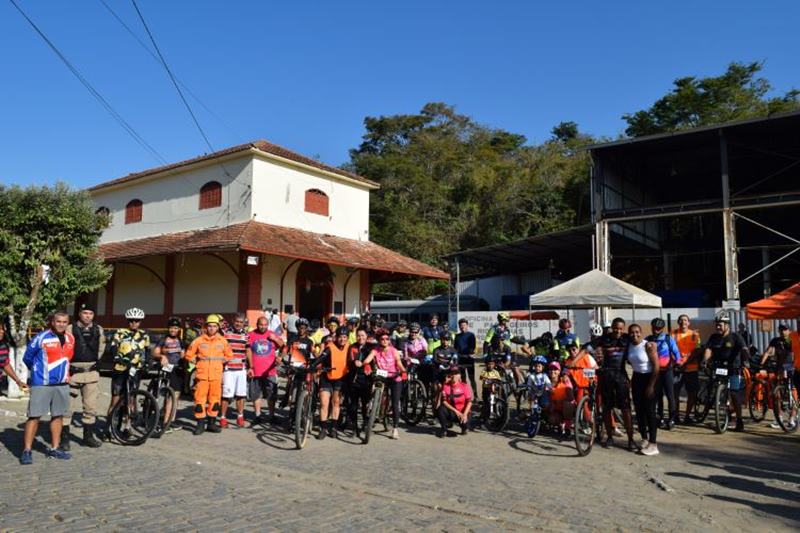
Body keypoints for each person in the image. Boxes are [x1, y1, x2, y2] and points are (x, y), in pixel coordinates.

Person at [20, 312, 74, 464]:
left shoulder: (71, 338)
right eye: (58, 321)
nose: (61, 324)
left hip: (62, 384)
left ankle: (54, 449)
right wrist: (38, 372)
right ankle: (27, 450)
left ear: (68, 323)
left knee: (58, 416)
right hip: (41, 384)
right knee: (34, 416)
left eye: (64, 322)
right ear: (52, 322)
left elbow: (68, 358)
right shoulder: (41, 337)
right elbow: (27, 357)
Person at [184, 314, 233, 435]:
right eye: (209, 326)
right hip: (202, 376)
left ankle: (211, 424)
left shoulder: (222, 341)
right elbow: (188, 354)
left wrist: (225, 360)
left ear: (218, 327)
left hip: (216, 376)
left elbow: (230, 354)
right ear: (206, 327)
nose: (212, 328)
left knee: (215, 401)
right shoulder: (198, 340)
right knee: (199, 401)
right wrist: (193, 359)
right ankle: (200, 425)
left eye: (214, 326)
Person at [106, 307, 150, 440]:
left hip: (135, 371)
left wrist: (147, 363)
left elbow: (147, 351)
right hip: (120, 369)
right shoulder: (120, 332)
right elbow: (112, 347)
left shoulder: (144, 335)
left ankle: (127, 427)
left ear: (140, 322)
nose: (134, 323)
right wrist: (116, 357)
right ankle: (108, 428)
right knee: (115, 400)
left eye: (137, 321)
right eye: (131, 320)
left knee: (131, 400)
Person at [65, 303, 105, 449]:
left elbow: (101, 348)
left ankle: (88, 437)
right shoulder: (70, 329)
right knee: (66, 407)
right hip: (73, 372)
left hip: (91, 373)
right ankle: (64, 438)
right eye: (85, 313)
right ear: (80, 314)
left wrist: (93, 362)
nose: (88, 316)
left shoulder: (98, 329)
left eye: (90, 313)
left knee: (90, 407)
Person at [593, 317, 636, 450]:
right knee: (607, 408)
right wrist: (574, 360)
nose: (618, 331)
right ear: (612, 327)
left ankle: (631, 440)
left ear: (624, 328)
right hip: (607, 376)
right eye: (616, 328)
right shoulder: (605, 338)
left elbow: (640, 343)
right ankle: (610, 438)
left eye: (621, 329)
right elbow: (587, 347)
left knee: (626, 409)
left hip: (621, 376)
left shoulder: (627, 338)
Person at [703, 313, 747, 432]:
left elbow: (744, 349)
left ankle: (739, 420)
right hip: (718, 367)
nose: (718, 327)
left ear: (727, 325)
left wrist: (745, 360)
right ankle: (713, 407)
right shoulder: (714, 337)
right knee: (713, 388)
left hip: (733, 368)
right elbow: (708, 349)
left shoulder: (736, 337)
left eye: (720, 325)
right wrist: (705, 360)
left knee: (734, 394)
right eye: (716, 325)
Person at [361, 329, 406, 439]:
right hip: (382, 376)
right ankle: (373, 408)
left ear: (389, 340)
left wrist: (404, 371)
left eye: (387, 339)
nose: (385, 341)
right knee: (373, 389)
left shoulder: (393, 350)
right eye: (382, 339)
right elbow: (366, 360)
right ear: (379, 340)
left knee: (395, 403)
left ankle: (395, 428)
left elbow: (399, 363)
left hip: (395, 377)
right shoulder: (375, 350)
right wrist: (366, 365)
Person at [626, 324, 660, 456]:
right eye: (632, 332)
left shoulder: (648, 346)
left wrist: (651, 386)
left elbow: (656, 366)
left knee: (650, 411)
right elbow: (630, 362)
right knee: (639, 411)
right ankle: (644, 439)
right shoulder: (629, 345)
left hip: (650, 378)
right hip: (637, 378)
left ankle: (653, 443)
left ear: (641, 332)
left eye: (637, 332)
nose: (634, 334)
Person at [246, 316, 285, 426]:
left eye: (265, 325)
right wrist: (250, 367)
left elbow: (283, 346)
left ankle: (271, 416)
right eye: (260, 324)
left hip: (270, 371)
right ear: (257, 324)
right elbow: (248, 351)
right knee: (255, 394)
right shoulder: (251, 335)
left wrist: (275, 339)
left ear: (268, 325)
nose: (263, 327)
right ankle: (257, 416)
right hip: (256, 370)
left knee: (271, 395)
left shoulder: (272, 334)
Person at [315, 326, 350, 439]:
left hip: (340, 379)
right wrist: (313, 365)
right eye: (340, 337)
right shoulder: (329, 347)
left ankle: (334, 427)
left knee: (336, 403)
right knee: (324, 404)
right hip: (326, 377)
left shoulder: (349, 347)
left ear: (347, 338)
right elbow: (321, 357)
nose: (342, 339)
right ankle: (323, 428)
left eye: (344, 337)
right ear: (336, 337)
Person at [646, 318, 681, 430]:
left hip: (667, 371)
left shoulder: (668, 338)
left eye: (659, 328)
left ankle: (671, 419)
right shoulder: (648, 339)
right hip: (655, 372)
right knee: (657, 396)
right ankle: (660, 417)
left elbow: (676, 352)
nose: (656, 330)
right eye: (654, 327)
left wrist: (678, 362)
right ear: (652, 327)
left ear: (662, 328)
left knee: (670, 396)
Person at [152, 317, 185, 435]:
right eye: (171, 327)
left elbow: (183, 354)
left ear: (179, 329)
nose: (173, 330)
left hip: (178, 370)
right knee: (171, 396)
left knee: (176, 395)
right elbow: (155, 353)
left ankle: (171, 420)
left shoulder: (181, 341)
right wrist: (162, 356)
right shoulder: (163, 340)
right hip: (167, 370)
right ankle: (165, 422)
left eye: (175, 328)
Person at [760, 324, 797, 429]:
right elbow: (768, 352)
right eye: (780, 330)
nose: (782, 332)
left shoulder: (793, 340)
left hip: (793, 369)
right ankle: (778, 418)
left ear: (789, 331)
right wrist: (761, 364)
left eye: (784, 330)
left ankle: (792, 419)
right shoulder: (775, 341)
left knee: (794, 394)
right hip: (779, 369)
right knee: (777, 395)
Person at [218, 314, 249, 428]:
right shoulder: (225, 333)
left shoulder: (246, 335)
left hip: (241, 369)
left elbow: (248, 351)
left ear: (244, 323)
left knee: (241, 395)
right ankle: (222, 417)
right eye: (237, 321)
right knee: (226, 395)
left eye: (241, 322)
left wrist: (251, 367)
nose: (238, 324)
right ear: (233, 321)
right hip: (228, 369)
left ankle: (240, 416)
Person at [672, 314, 702, 425]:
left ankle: (687, 416)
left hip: (691, 369)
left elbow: (697, 351)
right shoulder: (672, 334)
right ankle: (675, 416)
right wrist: (678, 362)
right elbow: (670, 350)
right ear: (678, 322)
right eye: (681, 320)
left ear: (689, 323)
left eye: (685, 320)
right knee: (675, 393)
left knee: (692, 393)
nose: (683, 322)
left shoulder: (695, 335)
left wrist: (686, 362)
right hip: (677, 368)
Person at [280, 318, 315, 409]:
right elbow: (285, 349)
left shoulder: (309, 342)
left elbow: (314, 352)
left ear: (306, 329)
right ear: (297, 328)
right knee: (289, 383)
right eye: (299, 327)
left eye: (303, 328)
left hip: (304, 366)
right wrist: (280, 357)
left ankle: (310, 403)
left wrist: (318, 359)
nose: (301, 329)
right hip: (293, 365)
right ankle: (286, 398)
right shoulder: (292, 339)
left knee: (310, 383)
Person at [347, 327, 374, 438]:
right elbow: (349, 360)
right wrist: (354, 362)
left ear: (367, 336)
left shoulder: (371, 347)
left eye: (363, 335)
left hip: (367, 380)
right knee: (353, 405)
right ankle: (354, 427)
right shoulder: (352, 347)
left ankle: (365, 424)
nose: (360, 338)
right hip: (354, 379)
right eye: (358, 335)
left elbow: (375, 360)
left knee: (365, 405)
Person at [436, 366, 472, 437]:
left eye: (456, 373)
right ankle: (444, 429)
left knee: (465, 424)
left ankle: (464, 427)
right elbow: (444, 402)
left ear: (459, 375)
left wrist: (464, 414)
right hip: (452, 412)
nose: (454, 376)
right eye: (452, 374)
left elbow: (469, 402)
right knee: (440, 409)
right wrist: (457, 412)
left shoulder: (464, 386)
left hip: (463, 412)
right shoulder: (445, 386)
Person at [546, 361, 575, 436]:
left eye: (555, 369)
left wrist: (561, 401)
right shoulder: (547, 382)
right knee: (551, 419)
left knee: (567, 405)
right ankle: (560, 425)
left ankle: (567, 428)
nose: (553, 371)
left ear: (559, 371)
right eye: (551, 369)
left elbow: (571, 397)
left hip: (566, 406)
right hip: (556, 408)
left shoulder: (565, 380)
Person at [0, 322, 27, 396]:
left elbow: (5, 365)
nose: (2, 331)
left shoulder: (3, 346)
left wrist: (18, 381)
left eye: (2, 329)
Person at [432, 334, 458, 402]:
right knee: (437, 390)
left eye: (447, 340)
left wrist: (453, 363)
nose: (445, 341)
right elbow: (435, 360)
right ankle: (435, 402)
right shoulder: (436, 350)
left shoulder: (453, 350)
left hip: (448, 372)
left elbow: (456, 361)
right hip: (438, 372)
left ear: (449, 341)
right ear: (440, 340)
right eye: (443, 339)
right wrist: (440, 364)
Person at [454, 318, 477, 393]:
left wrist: (470, 354)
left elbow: (472, 347)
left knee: (472, 378)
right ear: (459, 327)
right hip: (460, 360)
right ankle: (465, 395)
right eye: (461, 325)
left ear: (467, 326)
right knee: (463, 379)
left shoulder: (471, 335)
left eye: (464, 325)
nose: (462, 327)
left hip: (469, 360)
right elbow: (455, 349)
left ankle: (475, 395)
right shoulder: (457, 336)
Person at [478, 357, 503, 421]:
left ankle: (498, 410)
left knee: (496, 400)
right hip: (486, 389)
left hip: (495, 389)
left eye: (492, 364)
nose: (490, 365)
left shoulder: (496, 372)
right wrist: (485, 378)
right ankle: (484, 415)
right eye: (489, 364)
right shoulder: (484, 371)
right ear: (486, 364)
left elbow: (499, 380)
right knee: (486, 402)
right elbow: (481, 377)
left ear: (494, 364)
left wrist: (496, 381)